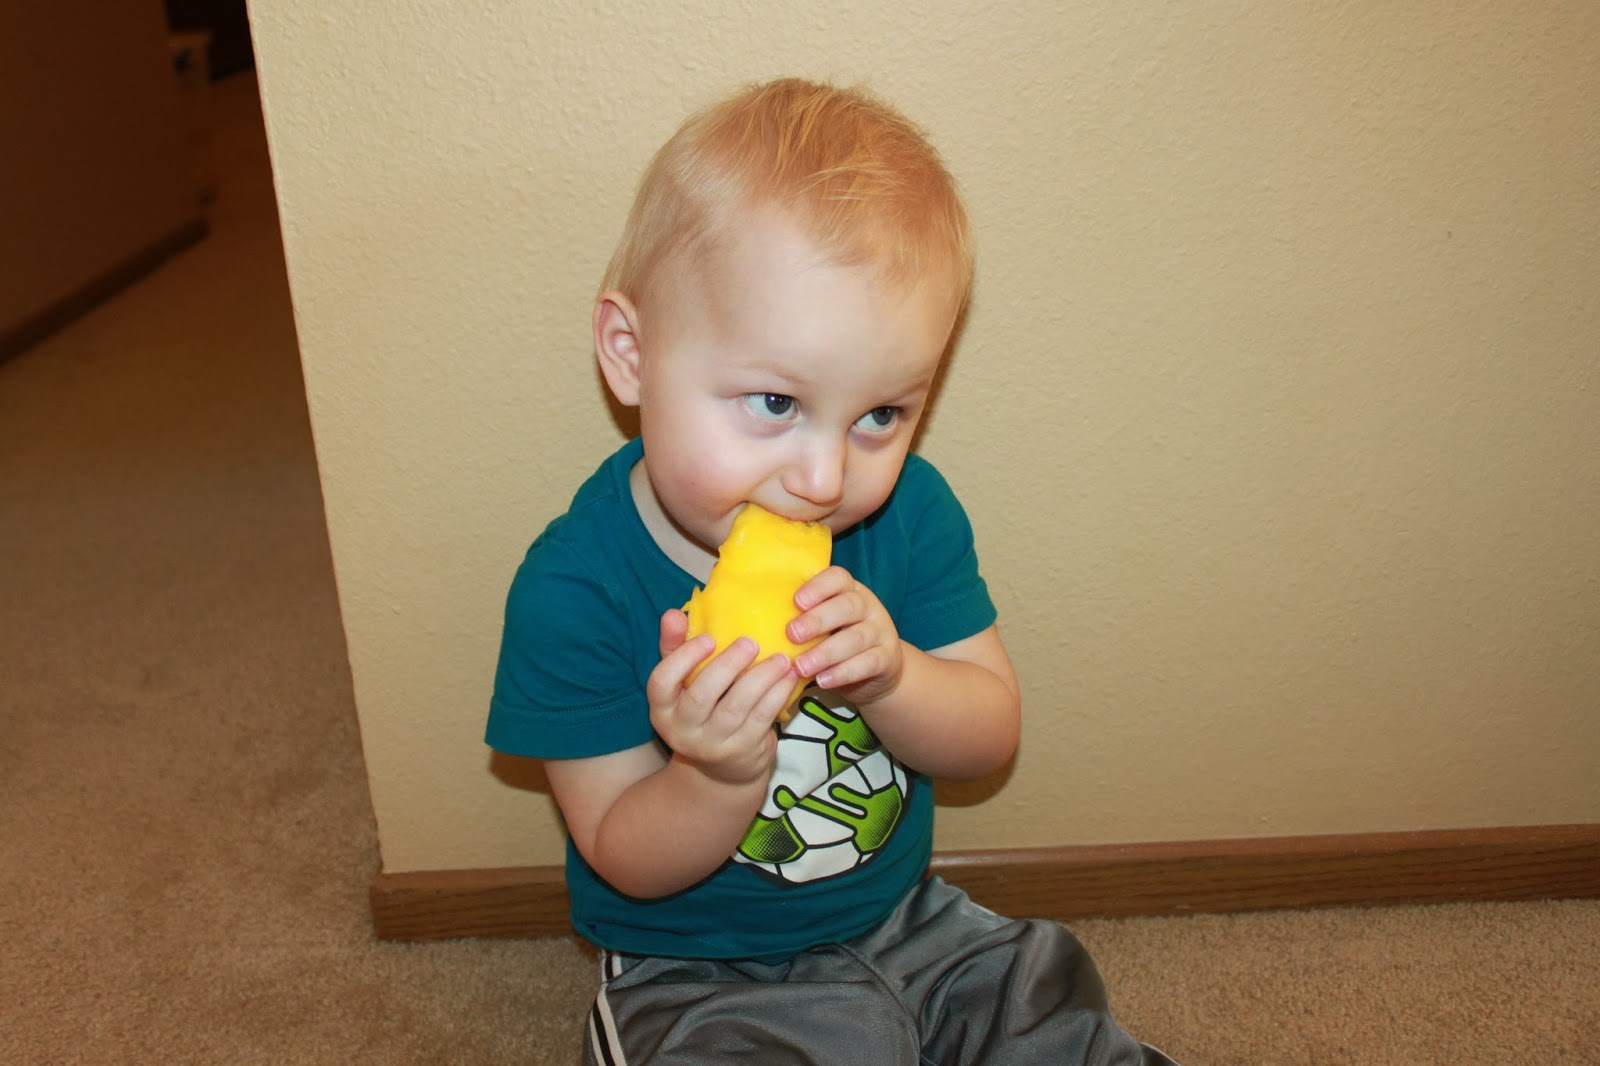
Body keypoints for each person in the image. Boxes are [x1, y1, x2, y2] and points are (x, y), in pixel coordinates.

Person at [487, 77, 1175, 1066]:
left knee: (1040, 1001)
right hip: (699, 964)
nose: (823, 478)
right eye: (775, 402)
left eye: (880, 415)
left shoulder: (911, 516)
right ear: (631, 355)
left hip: (913, 924)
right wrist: (714, 772)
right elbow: (623, 857)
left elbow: (989, 735)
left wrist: (895, 676)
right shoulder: (575, 591)